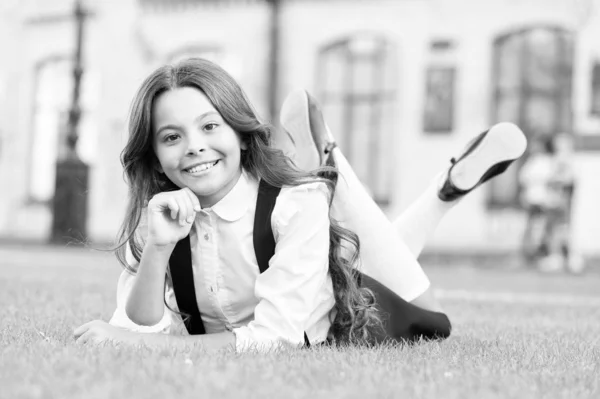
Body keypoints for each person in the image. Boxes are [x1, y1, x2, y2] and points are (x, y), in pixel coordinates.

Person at [73, 58, 527, 351]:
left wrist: (140, 346)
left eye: (210, 127)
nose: (194, 147)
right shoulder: (161, 214)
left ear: (239, 131)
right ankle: (440, 190)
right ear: (154, 156)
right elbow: (133, 326)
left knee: (432, 317)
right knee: (349, 242)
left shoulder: (293, 204)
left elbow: (271, 340)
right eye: (172, 137)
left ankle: (332, 165)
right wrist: (157, 248)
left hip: (353, 315)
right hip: (328, 263)